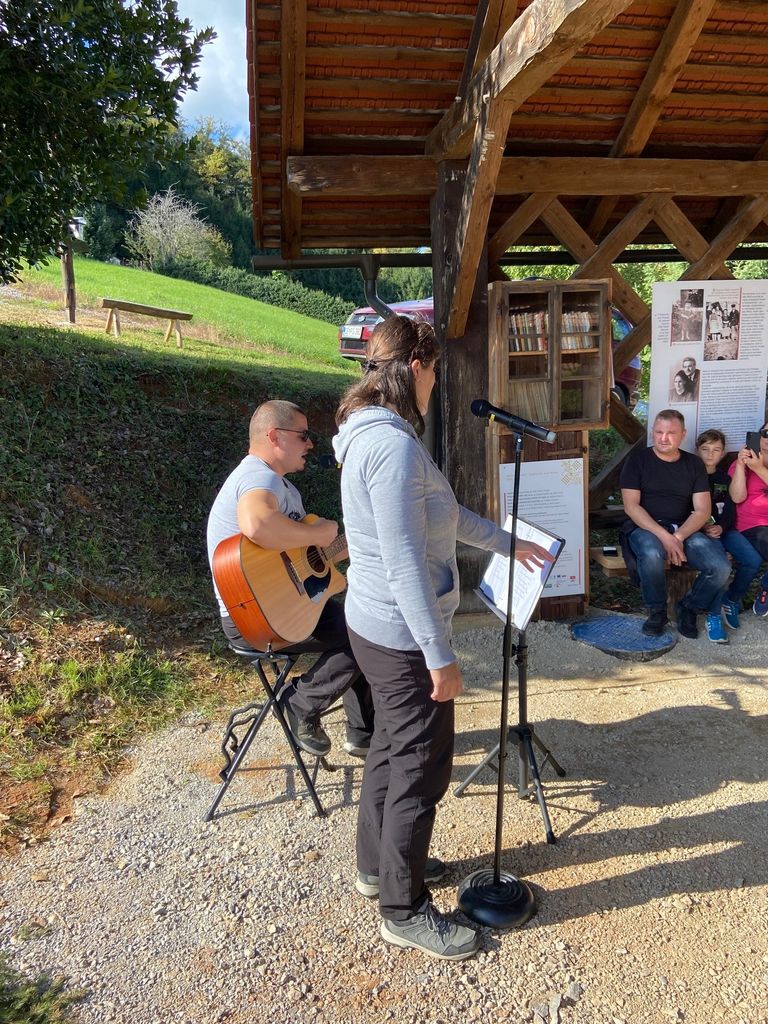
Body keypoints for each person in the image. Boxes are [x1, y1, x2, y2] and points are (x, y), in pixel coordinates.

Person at [332, 315, 552, 961]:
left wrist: (508, 543)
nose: (435, 385)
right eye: (433, 373)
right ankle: (402, 910)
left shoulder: (374, 433)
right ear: (416, 367)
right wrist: (439, 655)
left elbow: (443, 517)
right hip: (401, 636)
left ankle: (378, 868)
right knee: (421, 768)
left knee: (389, 750)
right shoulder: (393, 448)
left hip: (374, 625)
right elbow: (404, 562)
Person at [206, 399, 374, 758]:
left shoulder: (282, 487)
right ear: (274, 436)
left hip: (275, 606)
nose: (310, 443)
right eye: (303, 435)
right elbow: (258, 524)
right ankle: (299, 704)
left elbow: (300, 559)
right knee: (366, 634)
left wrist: (344, 542)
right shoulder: (258, 475)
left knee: (362, 621)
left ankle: (362, 734)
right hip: (255, 618)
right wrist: (319, 534)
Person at [619, 410, 730, 641]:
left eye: (671, 433)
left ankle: (689, 608)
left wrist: (677, 537)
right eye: (659, 432)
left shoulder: (694, 464)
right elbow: (631, 507)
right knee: (652, 553)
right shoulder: (637, 461)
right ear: (653, 432)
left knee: (720, 567)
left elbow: (703, 510)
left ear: (683, 434)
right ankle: (656, 612)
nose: (663, 438)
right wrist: (665, 537)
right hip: (645, 528)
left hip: (684, 529)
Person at [696, 429, 762, 630]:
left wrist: (721, 526)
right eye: (705, 449)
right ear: (697, 450)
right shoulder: (690, 476)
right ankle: (713, 615)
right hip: (701, 532)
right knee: (721, 565)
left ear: (723, 453)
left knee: (752, 560)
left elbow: (731, 507)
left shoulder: (724, 478)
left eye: (716, 450)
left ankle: (731, 599)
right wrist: (703, 526)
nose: (710, 454)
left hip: (725, 529)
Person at [728, 421, 768, 617]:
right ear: (758, 435)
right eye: (766, 433)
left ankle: (766, 587)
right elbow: (737, 497)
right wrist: (740, 465)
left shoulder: (757, 466)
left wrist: (759, 469)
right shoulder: (744, 462)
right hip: (752, 525)